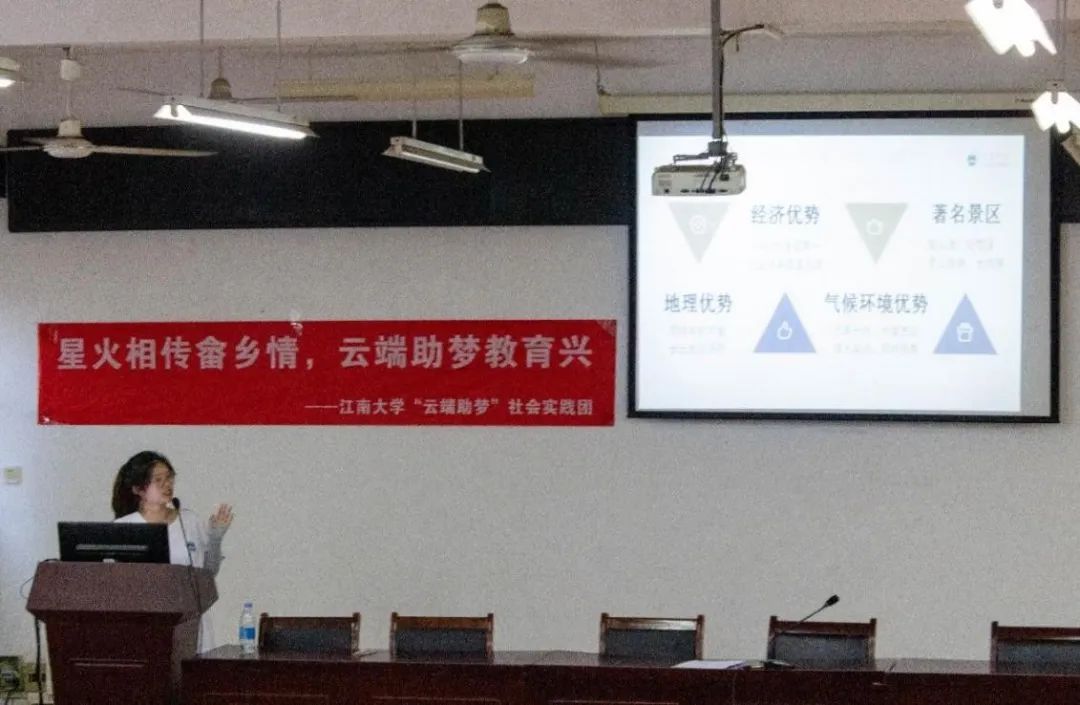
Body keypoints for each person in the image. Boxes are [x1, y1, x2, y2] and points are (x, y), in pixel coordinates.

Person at [111, 450, 234, 651]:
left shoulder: (189, 521)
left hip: (192, 621)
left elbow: (209, 573)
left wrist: (215, 537)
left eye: (169, 477)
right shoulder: (124, 527)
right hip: (147, 625)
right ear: (138, 489)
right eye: (158, 480)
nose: (167, 484)